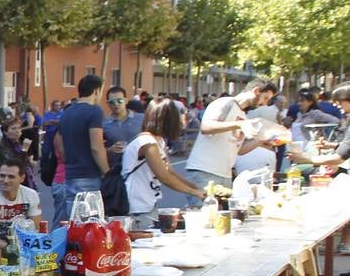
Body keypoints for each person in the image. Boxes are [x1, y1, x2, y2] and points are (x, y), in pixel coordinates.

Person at [185, 79, 278, 193]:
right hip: (204, 171)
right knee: (204, 209)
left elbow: (239, 150)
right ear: (256, 91)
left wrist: (260, 141)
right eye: (265, 98)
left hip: (225, 175)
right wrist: (239, 124)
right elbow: (206, 127)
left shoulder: (244, 116)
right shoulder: (225, 103)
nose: (264, 104)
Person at [125, 98, 205, 230]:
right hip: (137, 207)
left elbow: (169, 171)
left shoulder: (159, 141)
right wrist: (193, 192)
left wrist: (197, 188)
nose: (181, 119)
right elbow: (163, 176)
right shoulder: (146, 142)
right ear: (168, 120)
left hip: (148, 203)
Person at [54, 74, 108, 225]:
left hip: (70, 175)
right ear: (97, 90)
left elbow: (60, 146)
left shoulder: (67, 113)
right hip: (89, 175)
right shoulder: (94, 112)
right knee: (92, 225)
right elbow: (96, 147)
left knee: (75, 224)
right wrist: (107, 172)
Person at [102, 85, 144, 171]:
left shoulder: (142, 119)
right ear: (108, 104)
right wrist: (110, 150)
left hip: (140, 169)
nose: (116, 104)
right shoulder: (104, 124)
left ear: (126, 100)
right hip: (117, 171)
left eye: (119, 100)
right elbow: (98, 149)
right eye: (112, 102)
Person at [0, 116, 36, 186]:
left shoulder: (18, 143)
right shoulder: (4, 145)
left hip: (26, 180)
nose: (18, 131)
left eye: (19, 128)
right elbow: (15, 164)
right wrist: (24, 149)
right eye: (14, 128)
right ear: (5, 132)